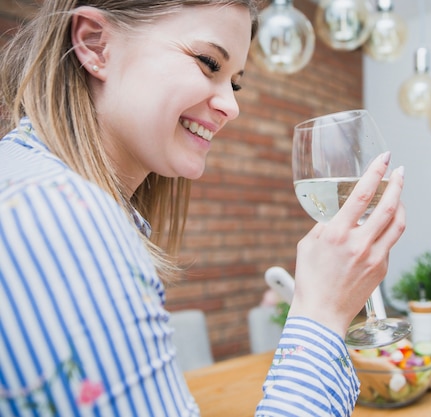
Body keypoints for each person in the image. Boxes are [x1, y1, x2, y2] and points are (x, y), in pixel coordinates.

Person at [0, 1, 406, 416]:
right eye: (209, 63)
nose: (231, 107)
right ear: (95, 44)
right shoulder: (66, 223)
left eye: (236, 83)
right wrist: (321, 313)